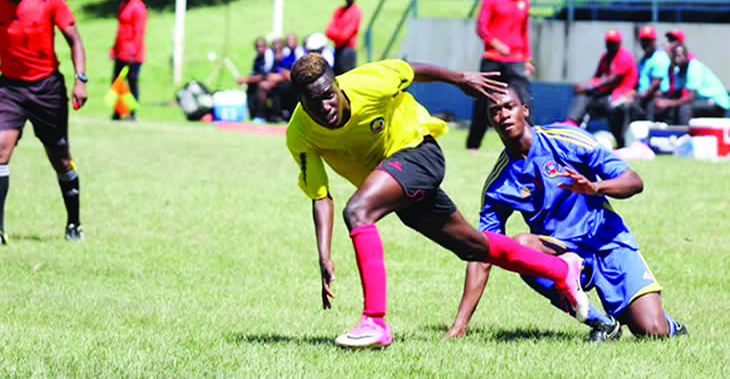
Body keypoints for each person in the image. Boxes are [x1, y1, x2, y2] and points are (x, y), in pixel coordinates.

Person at [286, 53, 590, 349]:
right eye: (313, 102)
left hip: (418, 152)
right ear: (301, 102)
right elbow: (320, 195)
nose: (324, 106)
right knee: (474, 247)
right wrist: (324, 254)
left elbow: (410, 70)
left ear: (337, 84)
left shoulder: (369, 80)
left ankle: (374, 322)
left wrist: (460, 79)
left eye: (328, 95)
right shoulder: (300, 134)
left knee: (358, 211)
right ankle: (561, 270)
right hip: (396, 184)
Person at [445, 84, 687, 341]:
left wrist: (595, 187)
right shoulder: (499, 183)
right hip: (563, 255)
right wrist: (460, 324)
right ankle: (602, 323)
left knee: (651, 331)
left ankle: (664, 323)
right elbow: (483, 251)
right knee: (519, 247)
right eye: (495, 111)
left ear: (524, 110)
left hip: (608, 241)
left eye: (509, 107)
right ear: (490, 120)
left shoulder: (564, 139)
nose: (503, 115)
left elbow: (633, 181)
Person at [0, 0, 88, 244]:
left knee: (60, 158)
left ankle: (74, 223)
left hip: (47, 89)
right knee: (0, 151)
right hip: (10, 88)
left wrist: (81, 79)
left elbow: (74, 39)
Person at [467, 0, 534, 151]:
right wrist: (496, 43)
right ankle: (473, 145)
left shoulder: (524, 2)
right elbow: (481, 26)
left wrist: (527, 59)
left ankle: (532, 142)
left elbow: (524, 32)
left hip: (516, 60)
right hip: (493, 58)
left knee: (524, 99)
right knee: (483, 101)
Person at [562, 29, 637, 148]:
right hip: (606, 95)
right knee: (583, 96)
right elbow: (597, 77)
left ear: (619, 43)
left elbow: (612, 80)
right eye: (609, 42)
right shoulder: (605, 57)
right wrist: (585, 86)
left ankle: (621, 143)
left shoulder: (624, 56)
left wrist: (589, 86)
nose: (610, 45)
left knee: (605, 102)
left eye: (613, 42)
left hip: (620, 95)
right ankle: (571, 125)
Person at [656, 44, 730, 119]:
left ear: (686, 56)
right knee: (670, 107)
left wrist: (667, 103)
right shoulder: (679, 71)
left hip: (717, 102)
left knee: (685, 108)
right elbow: (674, 91)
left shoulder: (694, 67)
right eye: (674, 56)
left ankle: (684, 130)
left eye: (679, 56)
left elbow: (690, 98)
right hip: (702, 101)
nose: (677, 59)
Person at [110, 0, 147, 121]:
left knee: (132, 83)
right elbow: (120, 30)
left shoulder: (138, 8)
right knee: (117, 82)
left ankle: (132, 112)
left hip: (133, 55)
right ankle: (118, 111)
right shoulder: (122, 6)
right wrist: (114, 49)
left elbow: (139, 33)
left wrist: (133, 53)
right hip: (121, 52)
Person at [631, 25, 672, 122]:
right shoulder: (643, 60)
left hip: (656, 96)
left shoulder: (659, 57)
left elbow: (655, 84)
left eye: (649, 40)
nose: (646, 44)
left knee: (648, 105)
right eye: (644, 40)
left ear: (654, 41)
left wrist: (640, 95)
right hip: (643, 96)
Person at [325, 0, 362, 75]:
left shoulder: (356, 11)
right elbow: (328, 30)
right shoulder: (339, 10)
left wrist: (336, 33)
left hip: (347, 51)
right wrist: (338, 33)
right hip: (337, 50)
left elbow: (345, 35)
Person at [237, 37, 274, 123]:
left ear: (266, 46)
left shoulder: (269, 55)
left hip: (272, 81)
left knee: (261, 86)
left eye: (261, 46)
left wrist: (246, 79)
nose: (259, 49)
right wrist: (248, 79)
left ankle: (262, 115)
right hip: (261, 80)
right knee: (251, 86)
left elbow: (264, 75)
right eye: (257, 47)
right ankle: (253, 114)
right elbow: (255, 73)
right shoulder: (257, 57)